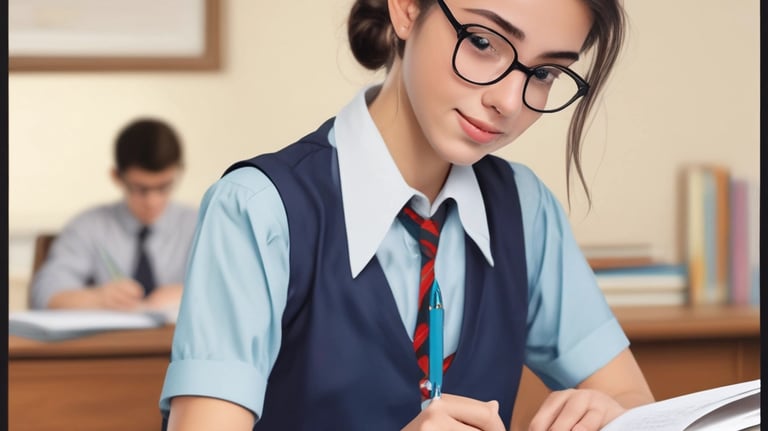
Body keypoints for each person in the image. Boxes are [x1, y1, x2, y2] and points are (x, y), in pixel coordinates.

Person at [160, 0, 655, 430]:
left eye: (544, 73)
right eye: (483, 42)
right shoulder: (257, 211)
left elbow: (636, 402)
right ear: (407, 9)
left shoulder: (526, 210)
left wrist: (608, 412)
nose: (507, 101)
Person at [29, 118, 198, 312]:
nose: (153, 201)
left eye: (164, 187)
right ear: (116, 176)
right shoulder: (88, 226)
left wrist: (191, 293)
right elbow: (44, 295)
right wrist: (96, 298)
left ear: (178, 172)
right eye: (141, 189)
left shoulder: (200, 225)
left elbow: (233, 289)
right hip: (108, 342)